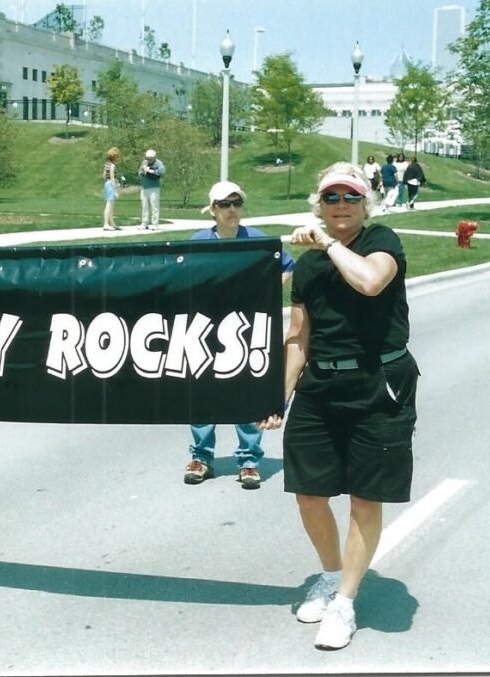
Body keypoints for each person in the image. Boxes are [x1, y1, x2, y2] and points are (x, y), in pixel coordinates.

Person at [258, 162, 419, 650]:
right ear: (319, 205)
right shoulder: (307, 267)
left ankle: (345, 602)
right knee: (309, 493)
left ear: (365, 203)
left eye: (350, 196)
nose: (341, 205)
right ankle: (331, 575)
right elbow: (298, 336)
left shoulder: (381, 242)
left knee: (365, 497)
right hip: (321, 387)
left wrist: (328, 244)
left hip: (379, 384)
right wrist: (278, 395)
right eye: (331, 198)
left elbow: (370, 282)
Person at [185, 181, 295, 489]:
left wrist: (267, 291)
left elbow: (288, 266)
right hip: (205, 330)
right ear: (213, 210)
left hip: (246, 330)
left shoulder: (257, 241)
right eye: (224, 204)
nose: (232, 209)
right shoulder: (199, 241)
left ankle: (249, 460)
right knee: (202, 393)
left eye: (236, 203)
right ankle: (201, 457)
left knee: (247, 391)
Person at [137, 149, 165, 230]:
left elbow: (162, 172)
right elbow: (139, 173)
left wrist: (151, 171)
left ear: (154, 157)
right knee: (144, 206)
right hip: (145, 187)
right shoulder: (144, 163)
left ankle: (155, 224)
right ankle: (144, 223)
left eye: (150, 158)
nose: (148, 160)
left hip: (154, 187)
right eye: (147, 158)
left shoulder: (159, 163)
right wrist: (143, 171)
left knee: (154, 206)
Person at [102, 147, 120, 231]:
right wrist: (115, 190)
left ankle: (112, 223)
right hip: (111, 184)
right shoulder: (112, 165)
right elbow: (112, 178)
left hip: (107, 183)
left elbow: (104, 175)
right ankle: (106, 224)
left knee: (111, 205)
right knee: (109, 205)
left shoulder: (106, 164)